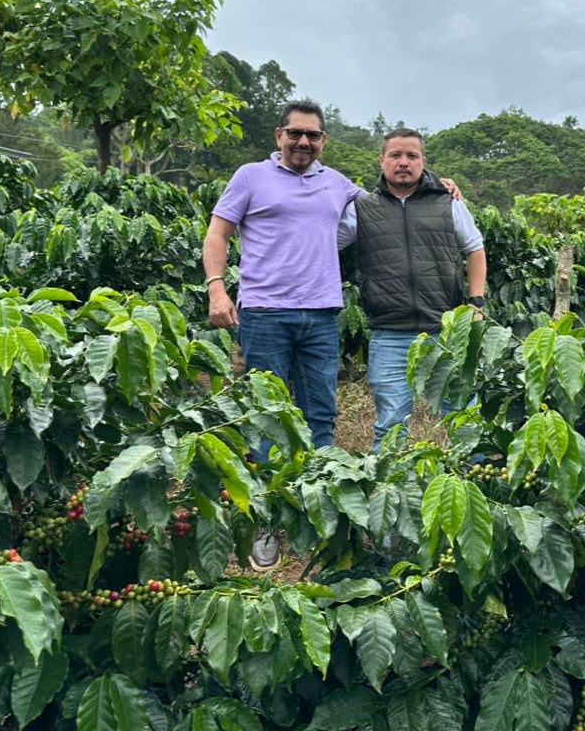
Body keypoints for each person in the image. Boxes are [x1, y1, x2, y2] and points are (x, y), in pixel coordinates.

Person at [203, 100, 361, 570]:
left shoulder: (337, 184)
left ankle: (318, 516)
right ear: (279, 135)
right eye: (295, 133)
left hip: (321, 315)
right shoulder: (250, 177)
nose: (303, 142)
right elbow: (218, 234)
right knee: (266, 418)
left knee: (321, 414)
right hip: (265, 313)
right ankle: (267, 520)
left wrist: (442, 186)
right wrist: (217, 289)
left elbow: (393, 196)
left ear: (323, 142)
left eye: (312, 135)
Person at [337, 128, 486, 451]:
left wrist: (476, 302)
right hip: (389, 333)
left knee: (464, 418)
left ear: (423, 161)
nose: (403, 162)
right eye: (395, 155)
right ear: (382, 160)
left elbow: (475, 249)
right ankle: (394, 492)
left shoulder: (448, 202)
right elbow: (324, 244)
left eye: (411, 156)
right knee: (390, 424)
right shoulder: (361, 208)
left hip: (445, 331)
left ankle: (476, 486)